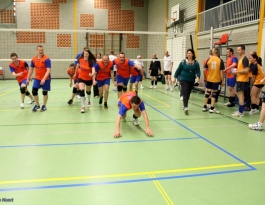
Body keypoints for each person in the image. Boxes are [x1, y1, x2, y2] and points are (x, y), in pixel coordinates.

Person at [173, 49, 200, 115]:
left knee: (188, 93)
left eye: (190, 53)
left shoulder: (196, 63)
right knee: (185, 91)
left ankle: (184, 104)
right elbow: (178, 70)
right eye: (188, 53)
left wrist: (198, 77)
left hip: (191, 80)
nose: (189, 54)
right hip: (183, 79)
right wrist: (174, 77)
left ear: (192, 54)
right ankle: (185, 107)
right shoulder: (183, 62)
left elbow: (198, 71)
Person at [27, 45, 51, 112]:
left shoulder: (47, 59)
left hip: (46, 79)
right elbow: (31, 69)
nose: (41, 51)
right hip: (37, 78)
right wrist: (28, 77)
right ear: (36, 51)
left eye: (42, 50)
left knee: (44, 92)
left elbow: (48, 70)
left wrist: (43, 79)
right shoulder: (34, 59)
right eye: (39, 50)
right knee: (34, 91)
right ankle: (37, 105)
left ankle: (44, 106)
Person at [73, 48, 97, 113]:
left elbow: (94, 70)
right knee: (81, 90)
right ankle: (83, 107)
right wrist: (75, 74)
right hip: (81, 77)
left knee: (88, 91)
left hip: (89, 78)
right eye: (84, 54)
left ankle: (89, 100)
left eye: (87, 54)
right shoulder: (80, 59)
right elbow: (77, 66)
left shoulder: (91, 61)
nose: (85, 55)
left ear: (89, 54)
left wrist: (93, 76)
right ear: (83, 54)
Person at [202, 47, 225, 113]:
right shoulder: (220, 60)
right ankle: (211, 108)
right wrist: (222, 81)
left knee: (208, 92)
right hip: (216, 80)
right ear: (218, 53)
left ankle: (204, 106)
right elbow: (221, 72)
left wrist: (205, 78)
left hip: (209, 79)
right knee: (214, 94)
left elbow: (204, 70)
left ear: (213, 52)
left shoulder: (208, 59)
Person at [231, 45, 250, 117]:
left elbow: (246, 70)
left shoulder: (245, 59)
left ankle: (241, 112)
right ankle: (240, 110)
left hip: (243, 80)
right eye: (237, 50)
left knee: (241, 95)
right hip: (239, 79)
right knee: (239, 95)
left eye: (239, 50)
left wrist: (237, 72)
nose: (237, 51)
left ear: (243, 50)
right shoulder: (240, 59)